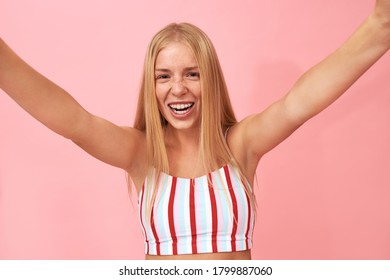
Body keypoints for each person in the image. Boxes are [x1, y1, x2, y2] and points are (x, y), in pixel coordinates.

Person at [0, 0, 389, 260]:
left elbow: (298, 102)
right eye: (164, 76)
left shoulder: (241, 145)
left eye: (192, 74)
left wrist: (379, 27)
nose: (178, 88)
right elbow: (74, 121)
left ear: (211, 81)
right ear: (151, 87)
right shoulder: (139, 153)